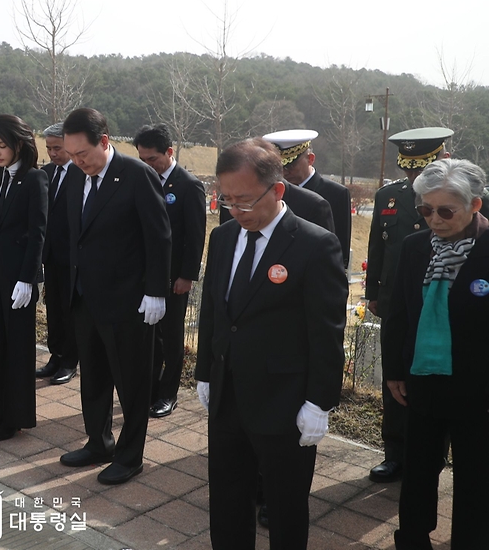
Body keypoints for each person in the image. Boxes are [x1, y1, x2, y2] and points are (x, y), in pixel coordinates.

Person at [194, 138, 347, 549]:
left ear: (277, 190)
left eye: (244, 201)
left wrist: (319, 403)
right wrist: (206, 373)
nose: (235, 211)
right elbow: (214, 309)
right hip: (228, 393)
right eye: (226, 200)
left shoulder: (314, 245)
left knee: (284, 506)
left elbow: (327, 331)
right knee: (226, 499)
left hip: (285, 400)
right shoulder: (224, 237)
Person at [59, 108, 171, 485]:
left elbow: (159, 238)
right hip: (85, 297)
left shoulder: (136, 176)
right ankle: (98, 442)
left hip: (127, 301)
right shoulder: (77, 176)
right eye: (71, 155)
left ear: (104, 142)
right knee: (92, 377)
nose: (77, 162)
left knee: (132, 383)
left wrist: (156, 292)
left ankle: (130, 456)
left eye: (83, 154)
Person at [382, 158, 489, 549]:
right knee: (419, 466)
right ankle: (412, 535)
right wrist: (395, 369)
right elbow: (398, 314)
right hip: (422, 378)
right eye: (426, 210)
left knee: (476, 473)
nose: (434, 220)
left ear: (474, 205)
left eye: (446, 211)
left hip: (476, 386)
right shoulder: (414, 247)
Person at [366, 126, 454, 483]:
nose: (415, 177)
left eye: (423, 168)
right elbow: (377, 246)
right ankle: (395, 453)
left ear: (444, 160)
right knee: (395, 379)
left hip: (442, 306)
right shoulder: (388, 196)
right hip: (396, 303)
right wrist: (372, 291)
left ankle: (435, 454)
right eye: (410, 169)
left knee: (440, 383)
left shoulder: (467, 196)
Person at [0, 114, 48, 441]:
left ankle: (14, 417)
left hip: (18, 277)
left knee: (16, 348)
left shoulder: (35, 179)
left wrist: (28, 278)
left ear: (20, 143)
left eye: (3, 146)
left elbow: (38, 232)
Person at [134, 124, 206, 418]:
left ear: (169, 152)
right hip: (144, 273)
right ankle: (147, 389)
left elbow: (195, 234)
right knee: (147, 335)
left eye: (153, 159)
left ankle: (168, 393)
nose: (148, 165)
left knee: (172, 336)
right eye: (143, 160)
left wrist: (187, 275)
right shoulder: (139, 179)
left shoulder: (187, 185)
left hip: (174, 275)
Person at [36, 122, 83, 385]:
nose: (53, 153)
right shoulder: (46, 173)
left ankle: (70, 360)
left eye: (57, 148)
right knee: (53, 308)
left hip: (73, 257)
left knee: (69, 310)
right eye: (49, 149)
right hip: (51, 255)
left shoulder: (81, 173)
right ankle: (55, 355)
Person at [263, 129, 352, 268]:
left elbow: (340, 249)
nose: (285, 172)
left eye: (290, 165)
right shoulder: (272, 192)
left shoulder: (335, 194)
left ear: (310, 159)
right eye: (280, 166)